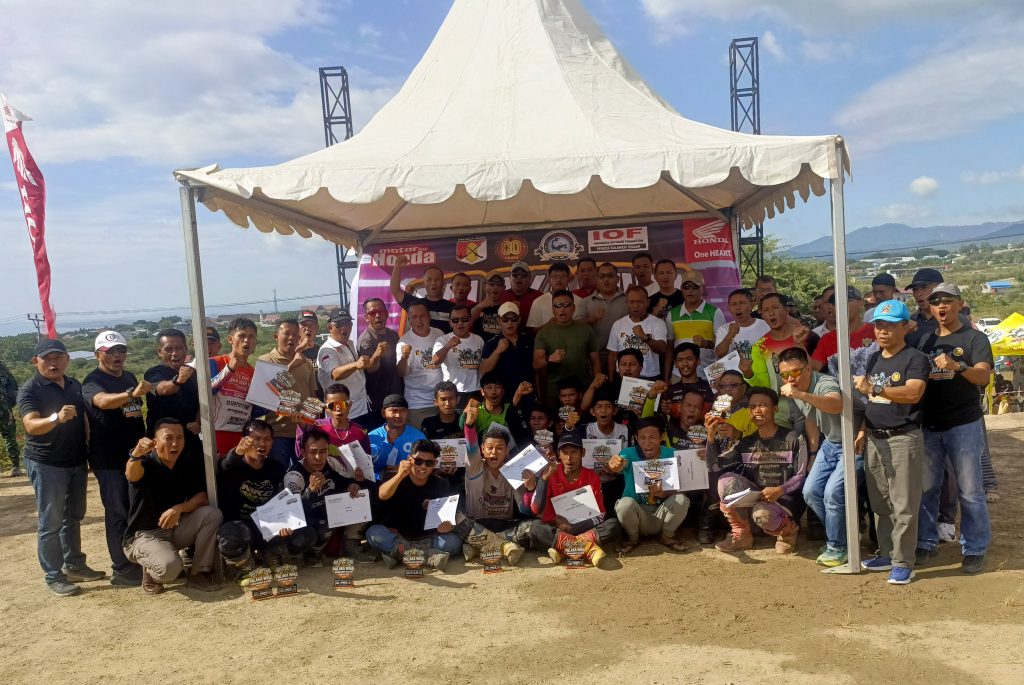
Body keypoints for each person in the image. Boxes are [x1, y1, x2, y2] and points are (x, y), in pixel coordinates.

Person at [913, 284, 992, 574]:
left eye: (947, 300)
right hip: (929, 424)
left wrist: (958, 366)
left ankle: (975, 548)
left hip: (964, 424)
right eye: (935, 302)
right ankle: (925, 541)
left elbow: (983, 376)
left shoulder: (974, 338)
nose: (941, 306)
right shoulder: (923, 339)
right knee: (927, 489)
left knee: (970, 491)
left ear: (959, 303)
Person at [19, 338, 104, 596]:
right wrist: (57, 418)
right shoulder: (30, 389)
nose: (53, 363)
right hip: (46, 463)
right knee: (51, 522)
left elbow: (85, 421)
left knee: (74, 516)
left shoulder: (74, 385)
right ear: (36, 361)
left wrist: (89, 449)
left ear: (67, 359)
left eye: (58, 357)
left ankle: (74, 565)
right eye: (47, 359)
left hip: (76, 460)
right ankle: (53, 575)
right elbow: (30, 426)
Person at [853, 299, 929, 585]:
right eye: (879, 325)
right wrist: (863, 430)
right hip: (875, 437)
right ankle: (886, 552)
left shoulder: (915, 358)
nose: (882, 331)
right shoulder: (874, 358)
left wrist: (875, 387)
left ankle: (903, 562)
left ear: (905, 327)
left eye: (890, 325)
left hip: (903, 438)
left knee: (904, 503)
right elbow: (872, 402)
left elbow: (913, 393)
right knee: (880, 501)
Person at [123, 419, 223, 594]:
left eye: (179, 438)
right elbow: (131, 474)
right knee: (170, 568)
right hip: (145, 536)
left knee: (211, 514)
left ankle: (199, 572)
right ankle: (152, 573)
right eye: (168, 438)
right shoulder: (144, 463)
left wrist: (179, 508)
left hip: (174, 530)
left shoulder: (187, 463)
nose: (175, 443)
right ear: (155, 442)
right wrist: (136, 454)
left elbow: (201, 498)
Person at [83, 331, 150, 586]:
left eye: (121, 350)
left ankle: (137, 560)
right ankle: (122, 569)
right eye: (110, 352)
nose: (117, 355)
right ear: (97, 355)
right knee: (117, 512)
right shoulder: (93, 380)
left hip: (135, 455)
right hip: (109, 459)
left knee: (135, 509)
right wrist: (131, 394)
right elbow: (102, 402)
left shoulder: (128, 377)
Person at [707, 387, 807, 555]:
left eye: (762, 405)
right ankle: (742, 535)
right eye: (752, 406)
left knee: (762, 514)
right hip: (756, 502)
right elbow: (715, 466)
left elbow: (801, 476)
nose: (757, 410)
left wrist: (779, 490)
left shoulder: (794, 438)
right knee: (725, 480)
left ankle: (788, 531)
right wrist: (711, 438)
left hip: (786, 502)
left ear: (775, 409)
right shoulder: (746, 442)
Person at [777, 347, 849, 567]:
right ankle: (843, 537)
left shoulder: (824, 383)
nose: (790, 379)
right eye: (784, 375)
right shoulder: (797, 389)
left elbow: (836, 404)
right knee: (810, 492)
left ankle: (838, 547)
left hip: (851, 443)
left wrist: (800, 394)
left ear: (808, 368)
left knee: (832, 493)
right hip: (830, 443)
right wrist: (813, 453)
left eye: (795, 372)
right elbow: (810, 418)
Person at [523, 430, 620, 566]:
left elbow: (600, 515)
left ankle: (563, 549)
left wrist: (572, 528)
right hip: (557, 528)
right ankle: (587, 549)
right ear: (559, 454)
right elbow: (536, 509)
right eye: (565, 452)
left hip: (583, 527)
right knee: (535, 528)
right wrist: (544, 479)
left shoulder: (592, 476)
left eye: (574, 452)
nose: (569, 457)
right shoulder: (550, 474)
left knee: (613, 525)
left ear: (583, 453)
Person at [286, 427, 378, 565]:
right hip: (310, 521)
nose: (318, 457)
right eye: (313, 452)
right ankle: (306, 554)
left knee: (363, 494)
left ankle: (350, 543)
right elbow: (290, 513)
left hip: (331, 515)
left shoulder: (331, 462)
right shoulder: (294, 476)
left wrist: (353, 484)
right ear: (303, 452)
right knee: (320, 531)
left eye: (323, 451)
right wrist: (310, 490)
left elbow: (345, 480)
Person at [452, 408, 532, 565]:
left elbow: (525, 510)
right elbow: (471, 446)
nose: (494, 452)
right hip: (476, 525)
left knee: (531, 526)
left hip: (504, 527)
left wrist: (529, 490)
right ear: (482, 449)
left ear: (507, 451)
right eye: (489, 448)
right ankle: (504, 546)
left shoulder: (514, 471)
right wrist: (469, 425)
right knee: (456, 517)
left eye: (499, 448)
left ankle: (478, 546)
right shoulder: (475, 467)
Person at [216, 420, 296, 577]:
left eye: (267, 439)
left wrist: (286, 524)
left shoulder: (277, 468)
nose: (262, 444)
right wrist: (237, 452)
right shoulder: (231, 465)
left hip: (265, 526)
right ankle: (245, 566)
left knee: (302, 530)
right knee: (229, 537)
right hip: (239, 527)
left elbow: (282, 501)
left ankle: (271, 553)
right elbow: (225, 465)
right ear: (244, 440)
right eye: (256, 439)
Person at [366, 440, 460, 571]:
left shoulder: (441, 484)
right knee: (374, 533)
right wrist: (400, 475)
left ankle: (399, 555)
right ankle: (428, 556)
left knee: (454, 543)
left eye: (429, 463)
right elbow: (382, 495)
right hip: (397, 535)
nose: (423, 466)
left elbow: (443, 517)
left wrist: (445, 527)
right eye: (418, 461)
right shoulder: (395, 477)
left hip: (427, 537)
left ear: (435, 464)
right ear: (410, 460)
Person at [607, 417, 690, 554]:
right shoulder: (628, 453)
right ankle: (632, 538)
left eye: (652, 437)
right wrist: (615, 466)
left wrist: (663, 493)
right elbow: (620, 464)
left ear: (662, 437)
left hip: (662, 514)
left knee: (682, 500)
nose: (647, 442)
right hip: (637, 517)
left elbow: (683, 487)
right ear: (636, 438)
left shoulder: (672, 454)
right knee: (624, 504)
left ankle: (667, 536)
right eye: (642, 438)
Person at [744, 293, 816, 429]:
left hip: (808, 402)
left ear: (786, 310)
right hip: (779, 408)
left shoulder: (807, 336)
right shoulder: (759, 346)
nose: (771, 313)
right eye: (766, 310)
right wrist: (748, 374)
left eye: (775, 308)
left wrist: (799, 344)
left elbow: (816, 369)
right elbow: (764, 384)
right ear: (762, 315)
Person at [257, 319, 318, 467]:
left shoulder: (306, 363)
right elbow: (266, 393)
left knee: (304, 475)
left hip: (303, 433)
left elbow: (313, 397)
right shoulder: (266, 360)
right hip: (279, 433)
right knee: (277, 474)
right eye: (286, 333)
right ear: (276, 336)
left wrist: (310, 427)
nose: (291, 338)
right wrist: (291, 366)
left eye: (295, 334)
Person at [534, 290, 600, 408]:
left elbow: (595, 361)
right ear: (552, 309)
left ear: (573, 308)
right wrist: (550, 358)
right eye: (557, 306)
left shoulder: (586, 330)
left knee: (583, 419)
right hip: (555, 392)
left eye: (566, 305)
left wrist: (597, 384)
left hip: (582, 389)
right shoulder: (543, 333)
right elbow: (536, 363)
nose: (562, 309)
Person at [209, 317, 261, 456]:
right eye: (242, 336)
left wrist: (274, 401)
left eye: (251, 337)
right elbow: (208, 390)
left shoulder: (254, 372)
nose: (246, 340)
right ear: (230, 339)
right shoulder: (215, 362)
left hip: (242, 436)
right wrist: (229, 369)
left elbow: (254, 410)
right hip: (216, 433)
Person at [145, 330, 200, 452]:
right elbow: (163, 389)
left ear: (186, 349)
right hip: (163, 444)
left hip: (189, 441)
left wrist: (197, 422)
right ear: (160, 352)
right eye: (168, 349)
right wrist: (178, 380)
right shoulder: (154, 373)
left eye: (179, 348)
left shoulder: (192, 373)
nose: (175, 353)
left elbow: (201, 402)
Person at [664, 270, 726, 378]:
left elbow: (724, 347)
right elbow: (669, 348)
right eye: (686, 287)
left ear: (702, 288)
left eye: (694, 287)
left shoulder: (714, 312)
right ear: (681, 289)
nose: (690, 291)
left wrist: (707, 344)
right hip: (678, 375)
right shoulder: (672, 314)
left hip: (709, 374)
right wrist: (666, 377)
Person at [317, 311, 375, 424]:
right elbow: (335, 374)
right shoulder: (327, 350)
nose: (344, 328)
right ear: (329, 327)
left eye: (348, 323)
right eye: (339, 324)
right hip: (343, 414)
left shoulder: (349, 343)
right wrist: (356, 364)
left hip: (362, 406)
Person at [396, 302, 444, 429]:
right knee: (420, 439)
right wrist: (404, 358)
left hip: (442, 401)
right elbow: (401, 372)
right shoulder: (404, 342)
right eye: (414, 317)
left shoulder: (439, 334)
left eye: (422, 316)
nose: (419, 320)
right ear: (409, 320)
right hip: (418, 404)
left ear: (429, 317)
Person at [607, 285, 669, 381]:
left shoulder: (658, 323)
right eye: (632, 302)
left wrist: (646, 338)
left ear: (648, 302)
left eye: (639, 302)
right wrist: (611, 381)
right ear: (626, 303)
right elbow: (612, 355)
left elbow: (661, 349)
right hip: (623, 376)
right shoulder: (618, 324)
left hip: (649, 377)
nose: (635, 305)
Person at [358, 298, 403, 429]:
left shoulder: (393, 335)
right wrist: (377, 354)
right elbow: (370, 369)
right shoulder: (366, 340)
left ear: (387, 314)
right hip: (379, 402)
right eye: (373, 313)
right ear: (367, 318)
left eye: (381, 311)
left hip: (397, 395)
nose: (378, 315)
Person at [575, 261, 629, 369]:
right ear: (596, 279)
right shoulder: (586, 302)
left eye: (610, 276)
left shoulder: (628, 300)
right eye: (602, 276)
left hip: (624, 354)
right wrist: (592, 319)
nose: (606, 279)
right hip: (595, 355)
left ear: (617, 279)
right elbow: (575, 326)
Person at [810, 287, 875, 372]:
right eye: (837, 303)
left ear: (861, 303)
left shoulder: (876, 332)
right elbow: (813, 368)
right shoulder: (827, 339)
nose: (843, 305)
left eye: (848, 300)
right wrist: (799, 344)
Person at [431, 304, 484, 405]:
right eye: (455, 320)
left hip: (476, 391)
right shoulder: (443, 340)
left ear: (471, 321)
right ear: (450, 323)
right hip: (454, 393)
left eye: (464, 319)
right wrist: (448, 346)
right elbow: (435, 362)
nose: (460, 323)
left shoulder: (479, 340)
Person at [300, 382, 371, 457]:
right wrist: (301, 426)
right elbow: (302, 454)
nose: (338, 409)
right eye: (332, 405)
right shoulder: (317, 426)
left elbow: (367, 460)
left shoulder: (361, 432)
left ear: (349, 405)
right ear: (327, 408)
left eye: (342, 404)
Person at [480, 302, 535, 396]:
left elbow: (536, 369)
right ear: (499, 320)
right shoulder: (492, 343)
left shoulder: (528, 340)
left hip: (527, 392)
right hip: (504, 396)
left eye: (514, 319)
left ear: (519, 319)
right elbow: (484, 370)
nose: (510, 323)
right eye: (505, 320)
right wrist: (498, 351)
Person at [461, 374, 532, 448]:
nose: (493, 392)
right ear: (482, 391)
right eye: (489, 387)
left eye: (498, 387)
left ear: (503, 391)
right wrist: (465, 415)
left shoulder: (510, 409)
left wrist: (519, 393)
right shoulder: (475, 410)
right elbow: (462, 428)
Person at [368, 394, 428, 478]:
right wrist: (388, 443)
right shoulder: (372, 437)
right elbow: (372, 468)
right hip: (380, 482)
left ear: (408, 413)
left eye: (403, 411)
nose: (398, 415)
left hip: (410, 480)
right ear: (383, 413)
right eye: (393, 411)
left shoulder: (418, 437)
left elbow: (426, 464)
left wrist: (404, 470)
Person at [390, 254, 453, 333]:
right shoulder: (415, 304)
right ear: (423, 283)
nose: (433, 283)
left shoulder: (453, 308)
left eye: (437, 280)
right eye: (429, 280)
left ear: (443, 283)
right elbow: (395, 291)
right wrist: (397, 266)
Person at [714, 288, 770, 360]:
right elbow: (719, 355)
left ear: (752, 305)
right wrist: (729, 336)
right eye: (733, 304)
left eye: (742, 303)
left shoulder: (766, 326)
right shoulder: (724, 329)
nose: (738, 307)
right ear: (729, 308)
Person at [664, 342, 714, 420]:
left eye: (689, 359)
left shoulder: (710, 388)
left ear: (698, 361)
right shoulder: (670, 391)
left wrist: (676, 409)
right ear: (675, 364)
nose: (685, 364)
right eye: (680, 360)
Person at [526, 262, 579, 330]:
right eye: (555, 276)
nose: (558, 280)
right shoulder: (538, 302)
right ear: (549, 280)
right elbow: (532, 331)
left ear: (568, 279)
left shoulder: (578, 301)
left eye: (563, 276)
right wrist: (549, 325)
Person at [502, 261, 543, 327]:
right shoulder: (501, 296)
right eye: (515, 275)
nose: (519, 277)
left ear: (529, 278)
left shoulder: (540, 297)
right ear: (510, 277)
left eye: (523, 275)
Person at [1, 357, 22, 477]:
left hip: (3, 408)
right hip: (4, 407)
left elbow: (13, 385)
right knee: (9, 437)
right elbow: (13, 385)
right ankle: (15, 466)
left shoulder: (1, 365)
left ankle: (15, 465)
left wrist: (9, 404)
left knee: (10, 436)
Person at [472, 270, 507, 339]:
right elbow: (466, 321)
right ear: (484, 286)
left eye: (499, 284)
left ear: (504, 288)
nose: (495, 287)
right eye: (491, 284)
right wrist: (480, 307)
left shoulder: (507, 310)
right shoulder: (475, 307)